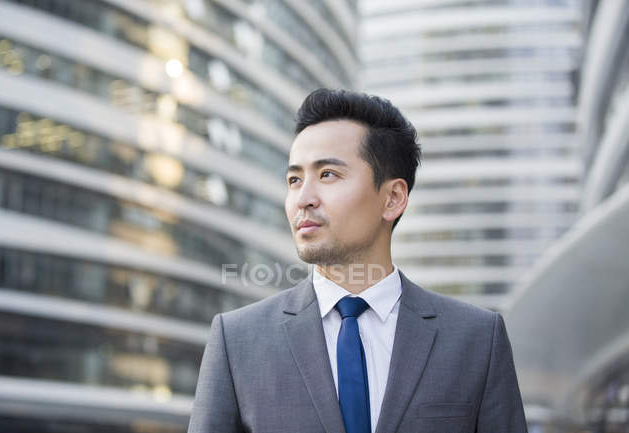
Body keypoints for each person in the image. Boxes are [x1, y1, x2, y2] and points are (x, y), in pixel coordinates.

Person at [188, 88, 527, 433]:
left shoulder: (477, 341)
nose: (302, 199)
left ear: (392, 198)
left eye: (327, 175)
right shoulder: (238, 341)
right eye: (294, 180)